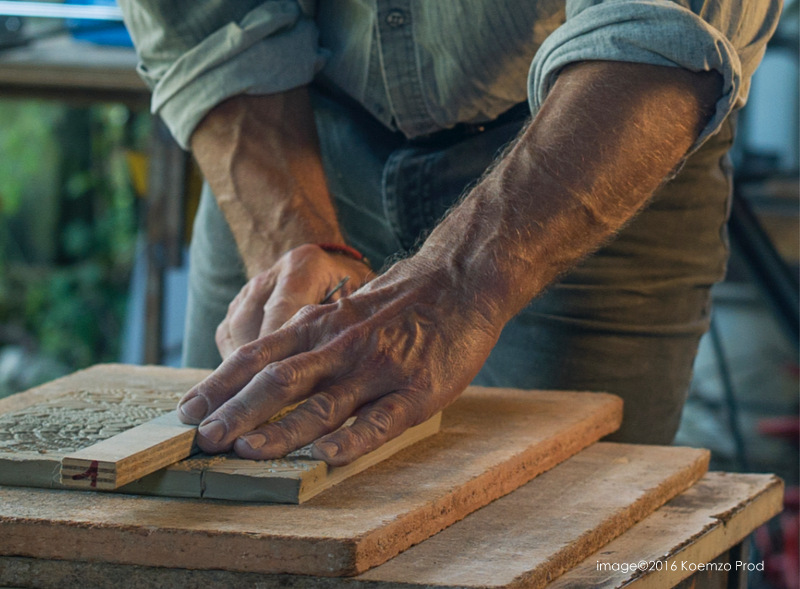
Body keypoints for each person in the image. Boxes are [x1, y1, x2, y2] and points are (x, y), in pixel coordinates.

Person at [119, 1, 780, 466]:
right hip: (297, 124)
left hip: (588, 133)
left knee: (561, 544)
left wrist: (465, 277)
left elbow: (665, 30)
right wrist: (297, 243)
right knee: (232, 521)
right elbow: (203, 19)